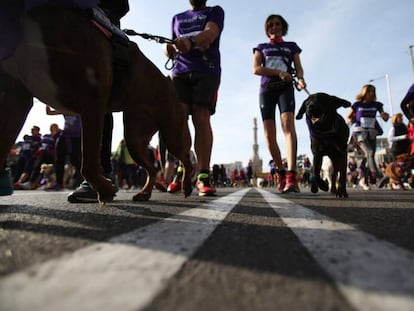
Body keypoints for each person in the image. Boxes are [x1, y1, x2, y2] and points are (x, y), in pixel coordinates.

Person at [67, 0, 129, 202]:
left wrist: (103, 15)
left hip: (98, 25)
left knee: (97, 99)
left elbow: (120, 6)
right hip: (66, 19)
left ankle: (101, 171)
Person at [164, 0, 224, 196]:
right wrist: (169, 48)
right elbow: (171, 44)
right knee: (179, 119)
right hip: (180, 72)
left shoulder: (214, 11)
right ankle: (184, 168)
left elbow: (210, 33)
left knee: (200, 116)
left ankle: (204, 175)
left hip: (206, 69)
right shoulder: (176, 17)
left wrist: (190, 42)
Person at [252, 14, 306, 193]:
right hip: (267, 90)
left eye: (277, 24)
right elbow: (256, 69)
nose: (274, 27)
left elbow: (298, 67)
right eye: (270, 25)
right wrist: (278, 72)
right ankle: (281, 172)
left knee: (288, 126)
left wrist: (300, 79)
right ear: (267, 29)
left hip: (285, 88)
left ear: (283, 27)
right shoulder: (261, 47)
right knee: (269, 135)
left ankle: (291, 174)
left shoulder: (291, 47)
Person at [346, 84, 389, 188]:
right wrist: (350, 120)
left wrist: (385, 116)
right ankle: (379, 177)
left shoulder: (377, 104)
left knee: (370, 156)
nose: (372, 93)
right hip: (360, 132)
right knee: (369, 152)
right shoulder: (357, 105)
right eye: (369, 91)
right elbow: (348, 117)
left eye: (373, 91)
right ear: (364, 92)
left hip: (372, 132)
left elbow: (385, 118)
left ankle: (363, 178)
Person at [45, 106, 82, 190]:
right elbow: (49, 112)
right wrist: (46, 102)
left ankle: (79, 181)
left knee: (76, 160)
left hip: (76, 137)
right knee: (59, 160)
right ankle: (59, 183)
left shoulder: (81, 109)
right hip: (64, 136)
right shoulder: (65, 109)